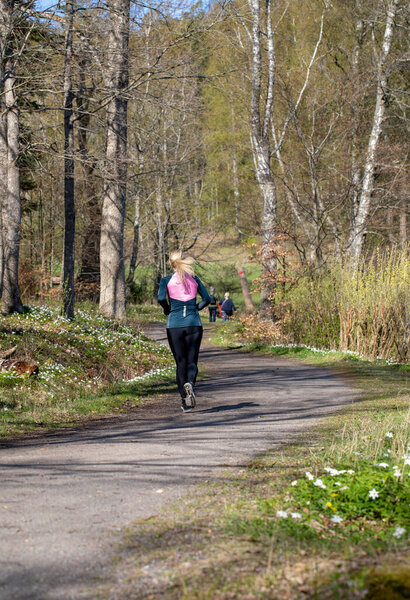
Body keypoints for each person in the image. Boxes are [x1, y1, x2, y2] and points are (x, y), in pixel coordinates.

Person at [158, 251, 210, 412]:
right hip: (194, 324)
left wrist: (168, 309)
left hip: (175, 325)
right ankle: (191, 384)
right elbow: (207, 299)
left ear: (171, 264)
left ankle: (184, 399)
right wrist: (197, 308)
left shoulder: (166, 280)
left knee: (180, 362)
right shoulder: (194, 279)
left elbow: (161, 298)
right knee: (192, 360)